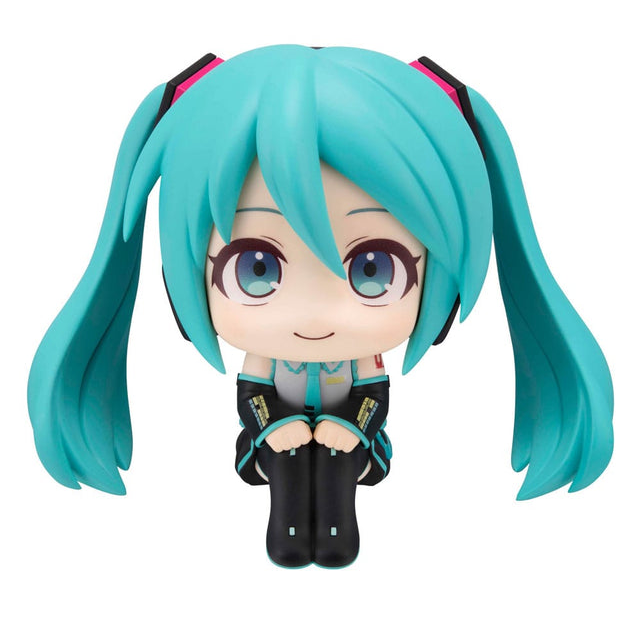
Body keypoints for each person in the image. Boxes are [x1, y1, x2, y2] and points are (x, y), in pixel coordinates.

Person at [27, 45, 614, 568]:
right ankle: (289, 530)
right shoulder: (268, 359)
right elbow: (252, 395)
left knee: (336, 474)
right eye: (255, 269)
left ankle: (334, 531)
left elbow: (373, 396)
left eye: (373, 270)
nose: (314, 316)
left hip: (352, 443)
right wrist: (273, 428)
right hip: (272, 439)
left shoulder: (361, 361)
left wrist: (349, 429)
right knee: (287, 475)